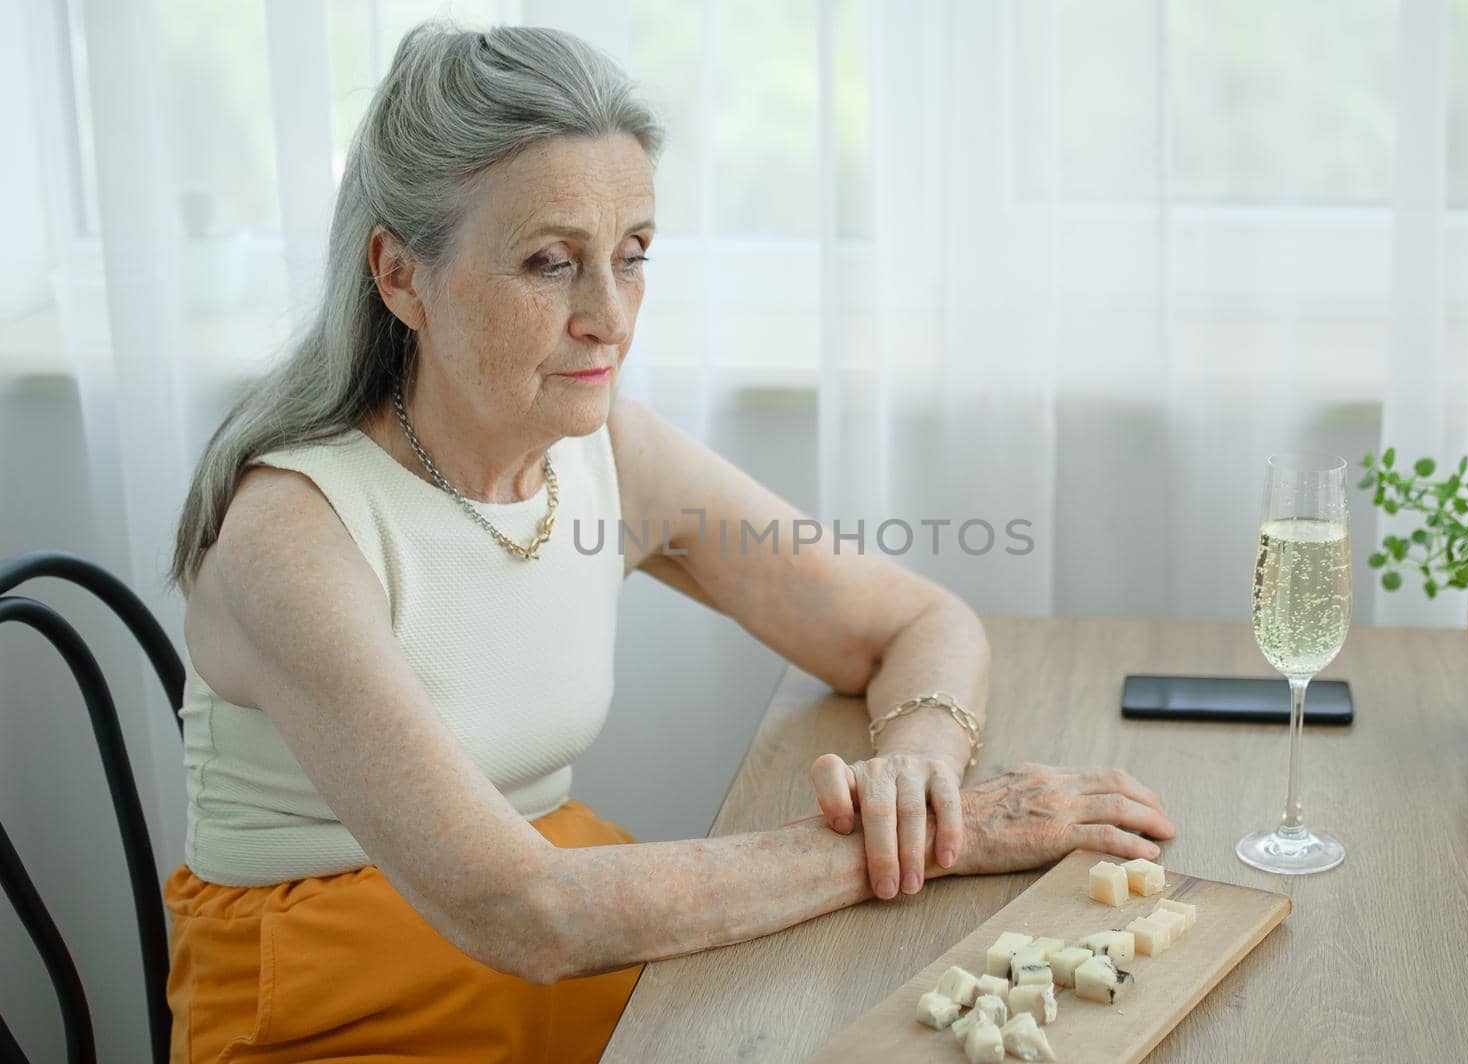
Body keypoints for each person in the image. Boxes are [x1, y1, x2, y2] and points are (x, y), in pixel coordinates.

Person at [162, 20, 1175, 1062]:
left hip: (567, 942)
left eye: (632, 257)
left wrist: (915, 782)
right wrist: (945, 841)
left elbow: (913, 621)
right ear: (400, 275)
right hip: (342, 995)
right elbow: (524, 911)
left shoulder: (601, 447)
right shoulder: (291, 533)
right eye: (550, 262)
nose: (609, 316)